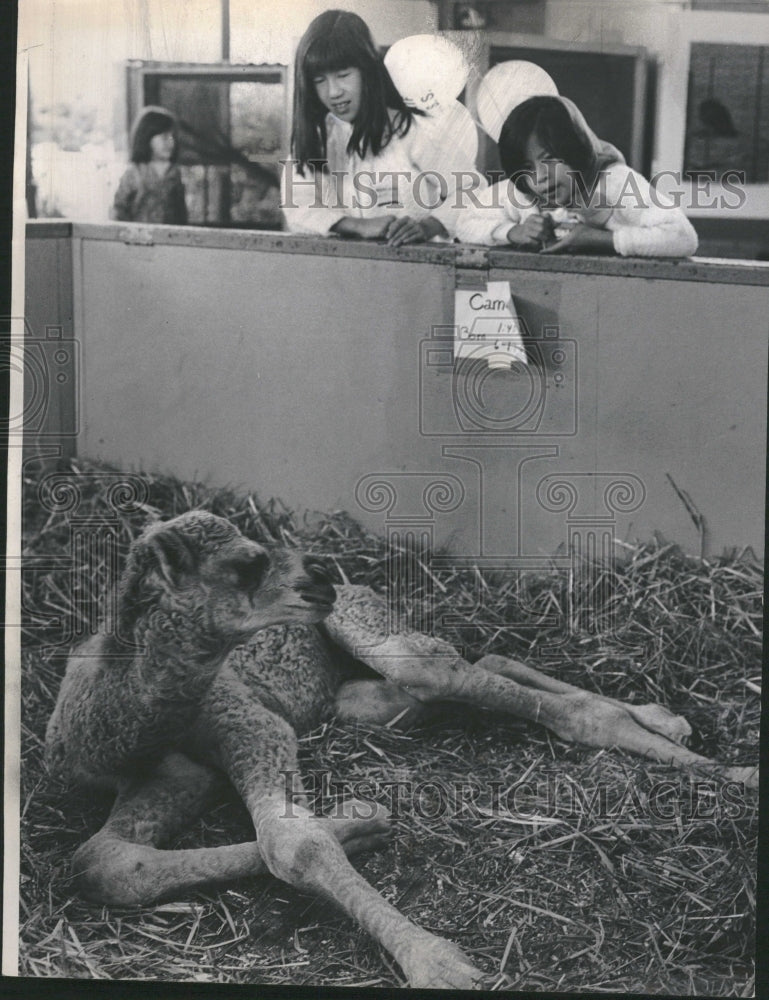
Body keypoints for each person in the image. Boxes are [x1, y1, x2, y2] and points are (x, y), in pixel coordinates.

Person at [281, 10, 483, 247]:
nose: (333, 91)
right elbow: (298, 208)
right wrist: (358, 226)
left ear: (367, 71)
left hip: (415, 270)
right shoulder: (315, 139)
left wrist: (426, 227)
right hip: (339, 273)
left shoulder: (412, 129)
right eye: (319, 80)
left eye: (343, 74)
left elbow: (473, 190)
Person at [456, 95, 698, 257]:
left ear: (575, 148)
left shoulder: (615, 182)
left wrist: (600, 239)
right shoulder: (523, 192)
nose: (540, 177)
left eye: (550, 158)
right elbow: (464, 223)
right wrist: (511, 231)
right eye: (527, 167)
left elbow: (683, 237)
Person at [112, 106, 188, 225]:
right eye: (163, 136)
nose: (170, 142)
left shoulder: (175, 174)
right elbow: (119, 212)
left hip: (169, 239)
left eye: (172, 136)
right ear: (146, 137)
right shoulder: (134, 173)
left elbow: (181, 215)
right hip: (137, 240)